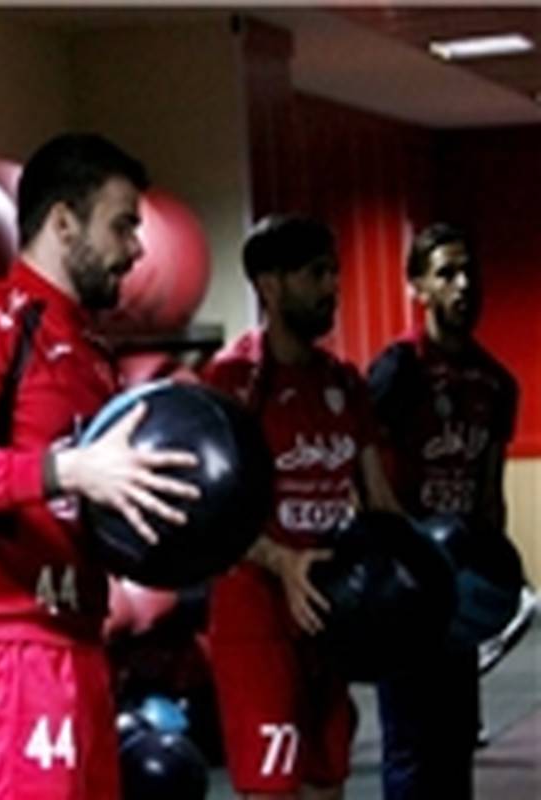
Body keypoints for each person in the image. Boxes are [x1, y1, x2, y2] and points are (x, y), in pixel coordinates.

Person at [0, 133, 202, 800]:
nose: (137, 249)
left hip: (81, 640)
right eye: (122, 225)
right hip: (8, 649)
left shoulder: (92, 353)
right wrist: (65, 470)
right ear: (64, 223)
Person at [203, 215, 401, 800]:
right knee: (272, 789)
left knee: (327, 783)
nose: (332, 287)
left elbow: (380, 502)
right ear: (269, 285)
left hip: (333, 615)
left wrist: (420, 570)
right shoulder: (231, 382)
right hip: (257, 621)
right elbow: (211, 515)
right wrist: (280, 561)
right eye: (316, 274)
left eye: (334, 272)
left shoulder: (346, 382)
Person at [368, 223, 520, 800]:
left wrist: (493, 571)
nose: (463, 286)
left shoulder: (495, 383)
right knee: (410, 744)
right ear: (419, 287)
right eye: (446, 274)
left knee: (454, 739)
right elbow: (364, 468)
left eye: (468, 272)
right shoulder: (396, 370)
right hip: (404, 583)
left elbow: (489, 490)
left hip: (458, 587)